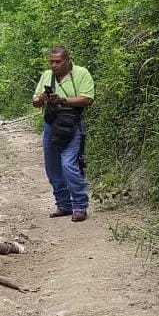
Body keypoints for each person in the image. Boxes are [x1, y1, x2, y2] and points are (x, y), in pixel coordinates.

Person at [32, 46, 95, 222]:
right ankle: (63, 205)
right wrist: (41, 99)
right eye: (51, 62)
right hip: (51, 123)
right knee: (52, 167)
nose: (54, 65)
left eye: (58, 62)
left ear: (68, 60)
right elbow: (35, 101)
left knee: (69, 165)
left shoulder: (81, 73)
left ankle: (80, 206)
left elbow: (87, 99)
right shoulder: (47, 75)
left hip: (72, 123)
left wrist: (63, 100)